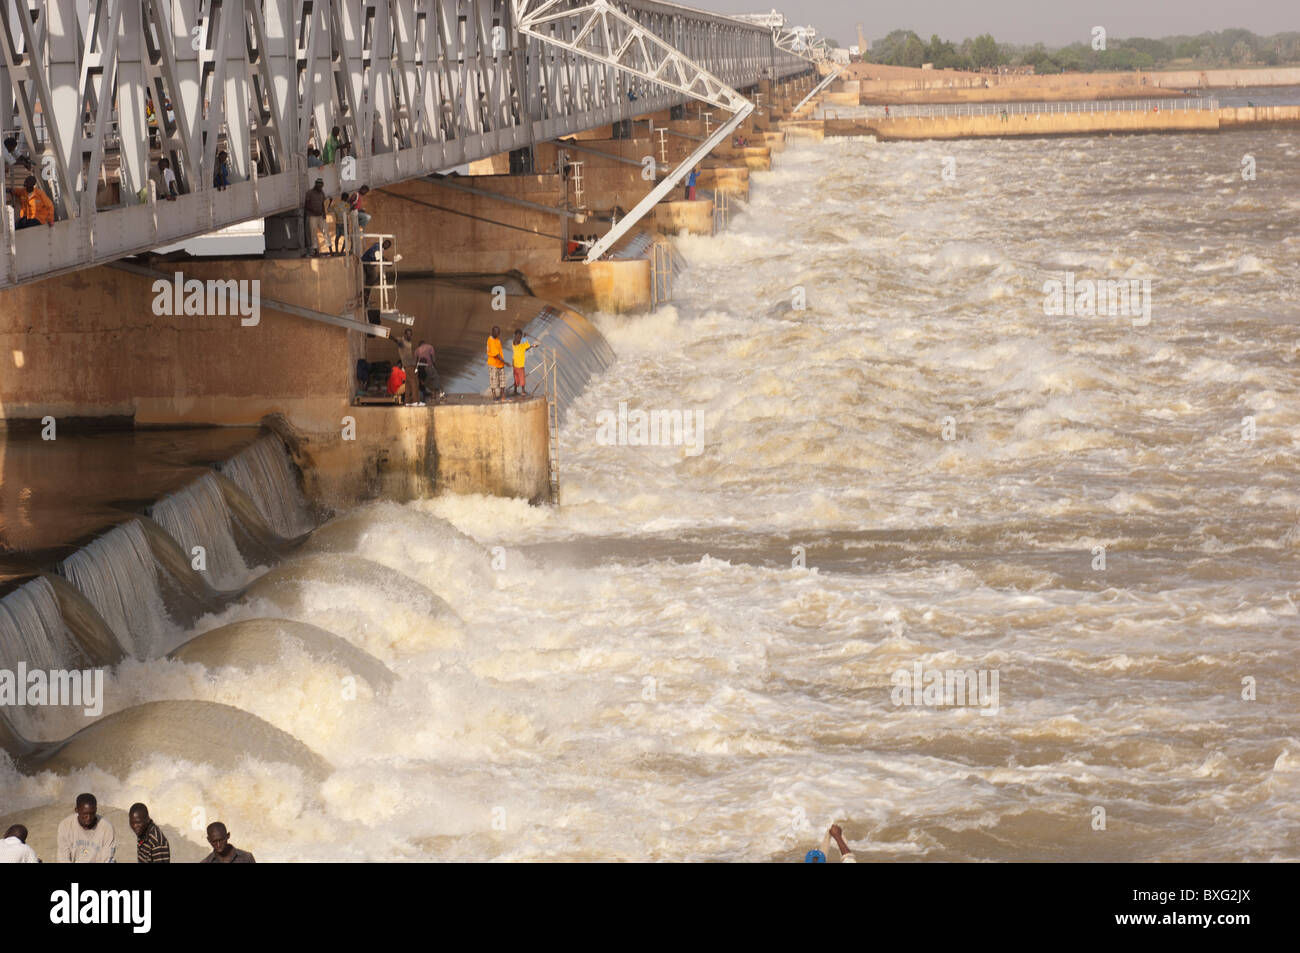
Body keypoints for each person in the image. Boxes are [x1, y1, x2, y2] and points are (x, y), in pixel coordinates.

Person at [57, 793, 116, 863]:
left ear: (96, 809)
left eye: (92, 813)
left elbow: (108, 858)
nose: (88, 818)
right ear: (76, 810)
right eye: (85, 814)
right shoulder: (65, 826)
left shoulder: (107, 828)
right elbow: (63, 858)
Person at [362, 238, 393, 305]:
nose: (386, 245)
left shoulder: (379, 248)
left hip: (369, 263)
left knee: (373, 280)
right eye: (386, 243)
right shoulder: (377, 246)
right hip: (366, 262)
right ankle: (365, 292)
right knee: (374, 277)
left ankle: (366, 295)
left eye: (388, 245)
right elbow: (379, 258)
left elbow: (381, 257)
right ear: (384, 242)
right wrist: (386, 262)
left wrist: (387, 261)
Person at [395, 327, 419, 405]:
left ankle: (407, 401)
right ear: (405, 334)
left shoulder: (409, 342)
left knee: (408, 384)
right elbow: (395, 340)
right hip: (408, 365)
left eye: (411, 334)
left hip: (409, 365)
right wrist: (388, 335)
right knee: (414, 383)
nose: (409, 336)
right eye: (408, 334)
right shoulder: (401, 341)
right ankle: (415, 401)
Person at [304, 177, 326, 256]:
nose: (321, 187)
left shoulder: (322, 193)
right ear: (316, 185)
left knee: (324, 231)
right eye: (319, 186)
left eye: (321, 186)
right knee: (312, 234)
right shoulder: (309, 193)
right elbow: (306, 205)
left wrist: (324, 213)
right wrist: (313, 210)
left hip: (320, 216)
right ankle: (315, 251)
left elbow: (322, 203)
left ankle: (328, 249)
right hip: (311, 216)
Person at [509, 328, 534, 398]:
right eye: (518, 337)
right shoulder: (517, 343)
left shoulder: (515, 344)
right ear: (515, 336)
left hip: (515, 364)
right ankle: (522, 391)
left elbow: (526, 347)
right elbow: (527, 346)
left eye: (519, 337)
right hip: (519, 366)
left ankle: (515, 390)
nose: (518, 338)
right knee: (521, 379)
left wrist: (531, 345)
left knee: (516, 379)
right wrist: (525, 338)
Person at [486, 326, 507, 401]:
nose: (498, 334)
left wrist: (503, 362)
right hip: (493, 364)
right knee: (494, 381)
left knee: (502, 380)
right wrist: (505, 362)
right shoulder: (490, 340)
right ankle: (494, 395)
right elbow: (496, 355)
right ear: (493, 332)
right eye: (497, 333)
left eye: (499, 333)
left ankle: (502, 394)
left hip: (500, 363)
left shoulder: (497, 339)